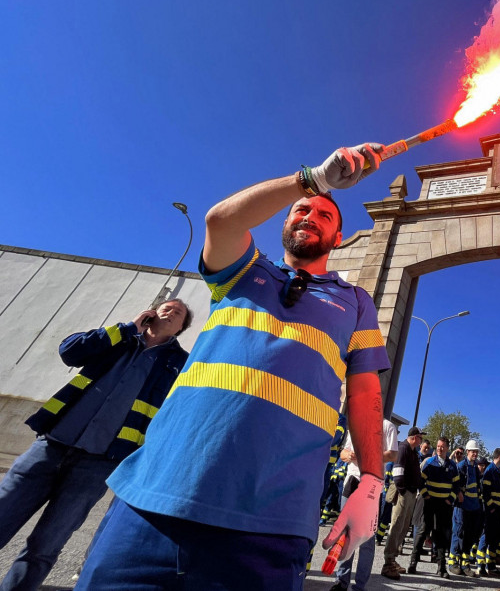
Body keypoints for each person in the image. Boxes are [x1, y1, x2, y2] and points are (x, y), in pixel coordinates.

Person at [76, 143, 391, 590]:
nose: (309, 217)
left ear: (338, 239)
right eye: (301, 210)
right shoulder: (241, 271)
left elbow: (365, 394)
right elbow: (220, 220)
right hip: (157, 498)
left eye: (324, 216)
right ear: (283, 221)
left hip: (271, 526)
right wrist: (315, 179)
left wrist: (373, 482)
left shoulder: (357, 303)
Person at [0, 300, 191, 591]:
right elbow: (70, 351)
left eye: (178, 313)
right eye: (166, 307)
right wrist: (127, 328)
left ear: (181, 328)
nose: (170, 312)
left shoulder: (181, 364)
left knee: (46, 545)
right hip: (51, 447)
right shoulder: (118, 339)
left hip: (98, 463)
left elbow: (179, 411)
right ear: (152, 313)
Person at [330, 418, 398, 591]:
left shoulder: (387, 426)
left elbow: (392, 454)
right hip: (351, 483)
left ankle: (360, 586)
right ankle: (341, 581)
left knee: (366, 540)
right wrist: (349, 455)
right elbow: (343, 453)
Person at [409, 437, 459, 579]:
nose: (439, 449)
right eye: (438, 446)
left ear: (448, 448)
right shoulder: (429, 463)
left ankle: (441, 567)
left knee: (441, 535)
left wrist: (450, 499)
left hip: (444, 505)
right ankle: (413, 562)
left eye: (442, 446)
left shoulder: (452, 466)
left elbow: (456, 484)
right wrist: (425, 494)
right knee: (423, 530)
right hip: (430, 503)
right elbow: (420, 480)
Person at [381, 426, 425, 580]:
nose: (421, 441)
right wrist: (403, 490)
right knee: (397, 525)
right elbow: (398, 472)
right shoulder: (404, 448)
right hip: (404, 493)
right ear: (414, 437)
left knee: (404, 526)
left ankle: (393, 560)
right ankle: (388, 563)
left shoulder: (413, 451)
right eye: (420, 437)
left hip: (410, 493)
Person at [449, 439, 484, 576]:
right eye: (473, 451)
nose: (475, 454)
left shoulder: (475, 468)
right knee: (458, 533)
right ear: (467, 451)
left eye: (476, 451)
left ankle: (465, 563)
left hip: (473, 506)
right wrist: (459, 493)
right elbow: (456, 483)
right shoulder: (461, 466)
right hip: (462, 506)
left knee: (469, 535)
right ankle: (453, 562)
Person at [480, 448, 500, 578]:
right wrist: (491, 507)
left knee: (493, 539)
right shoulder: (490, 470)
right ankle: (480, 565)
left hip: (499, 511)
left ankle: (491, 566)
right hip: (492, 511)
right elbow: (485, 491)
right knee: (485, 537)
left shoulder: (499, 471)